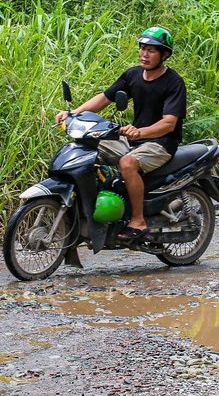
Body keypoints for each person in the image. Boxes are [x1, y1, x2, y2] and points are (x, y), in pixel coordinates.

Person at [54, 27, 187, 242]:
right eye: (142, 49)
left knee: (127, 163)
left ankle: (138, 220)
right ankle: (94, 205)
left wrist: (140, 131)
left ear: (165, 55)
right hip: (132, 139)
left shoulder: (174, 83)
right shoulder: (133, 75)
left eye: (151, 51)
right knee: (85, 149)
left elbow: (169, 124)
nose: (144, 54)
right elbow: (104, 98)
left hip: (161, 143)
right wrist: (73, 113)